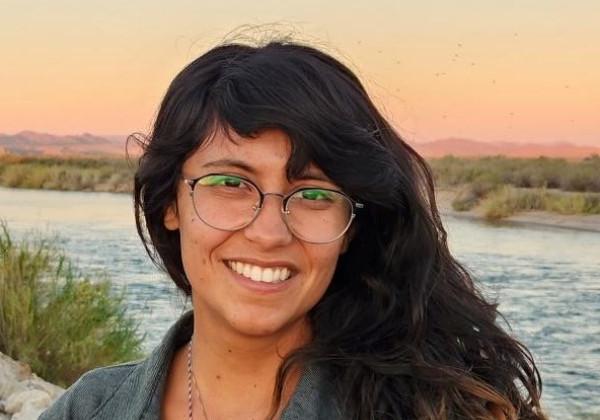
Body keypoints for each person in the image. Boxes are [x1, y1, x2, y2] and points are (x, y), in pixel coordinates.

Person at [40, 38, 547, 420]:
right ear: (171, 202)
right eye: (230, 183)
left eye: (314, 194)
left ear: (352, 225)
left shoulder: (439, 410)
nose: (268, 233)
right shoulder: (89, 409)